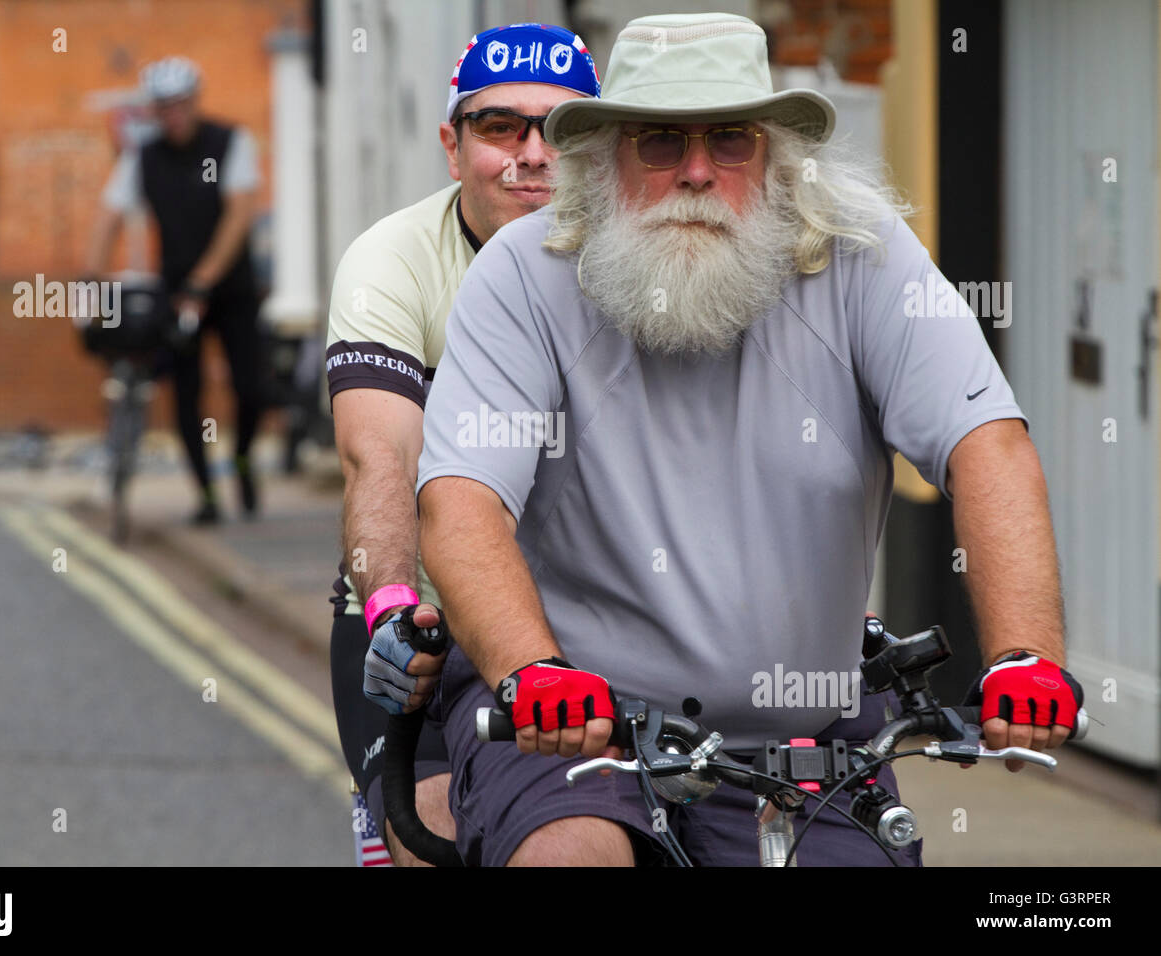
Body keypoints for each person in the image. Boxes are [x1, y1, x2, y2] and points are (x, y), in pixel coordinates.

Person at [416, 12, 1084, 866]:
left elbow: (986, 443)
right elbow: (461, 502)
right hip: (569, 725)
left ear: (774, 155)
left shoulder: (864, 256)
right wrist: (532, 670)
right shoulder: (522, 272)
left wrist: (1024, 655)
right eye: (661, 143)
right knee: (571, 856)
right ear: (608, 156)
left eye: (730, 139)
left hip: (809, 728)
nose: (697, 170)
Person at [324, 23, 601, 866]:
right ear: (453, 146)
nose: (533, 153)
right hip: (430, 615)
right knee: (432, 833)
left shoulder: (644, 261)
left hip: (592, 616)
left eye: (563, 128)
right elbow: (382, 459)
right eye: (499, 127)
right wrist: (394, 614)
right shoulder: (392, 260)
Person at [87, 57, 265, 524]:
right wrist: (90, 277)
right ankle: (206, 494)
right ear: (154, 111)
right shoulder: (143, 156)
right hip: (174, 289)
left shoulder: (230, 143)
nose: (174, 116)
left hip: (230, 287)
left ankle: (243, 460)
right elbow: (109, 216)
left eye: (181, 105)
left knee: (252, 388)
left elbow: (238, 214)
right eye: (164, 108)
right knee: (186, 394)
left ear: (194, 101)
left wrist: (202, 282)